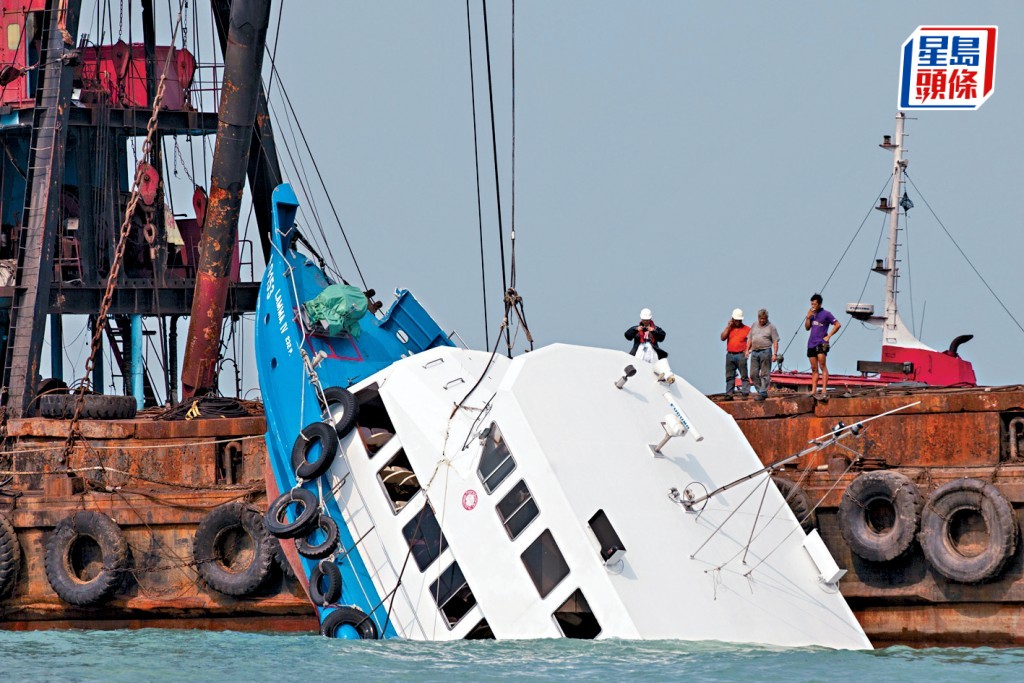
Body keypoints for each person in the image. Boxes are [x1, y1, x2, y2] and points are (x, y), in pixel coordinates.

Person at [805, 293, 841, 399]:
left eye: (815, 304)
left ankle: (824, 389)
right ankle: (813, 390)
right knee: (814, 368)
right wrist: (808, 317)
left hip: (821, 343)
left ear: (819, 304)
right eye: (812, 303)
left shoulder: (826, 314)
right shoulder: (811, 314)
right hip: (811, 343)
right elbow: (807, 328)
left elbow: (838, 324)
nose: (813, 306)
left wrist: (829, 335)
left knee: (822, 366)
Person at [746, 308, 779, 401]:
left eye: (764, 318)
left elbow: (775, 341)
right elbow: (750, 338)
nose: (762, 320)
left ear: (767, 318)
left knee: (765, 373)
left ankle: (763, 392)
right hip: (755, 351)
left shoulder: (771, 327)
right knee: (753, 374)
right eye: (760, 318)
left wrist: (775, 354)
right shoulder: (754, 325)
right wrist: (747, 350)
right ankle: (761, 391)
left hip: (766, 351)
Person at [720, 308, 750, 400]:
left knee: (744, 375)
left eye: (739, 320)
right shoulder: (730, 328)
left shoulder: (747, 329)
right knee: (730, 376)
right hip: (730, 355)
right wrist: (728, 327)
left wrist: (748, 350)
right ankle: (729, 394)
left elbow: (752, 341)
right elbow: (722, 337)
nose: (737, 321)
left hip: (741, 354)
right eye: (736, 320)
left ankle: (745, 393)